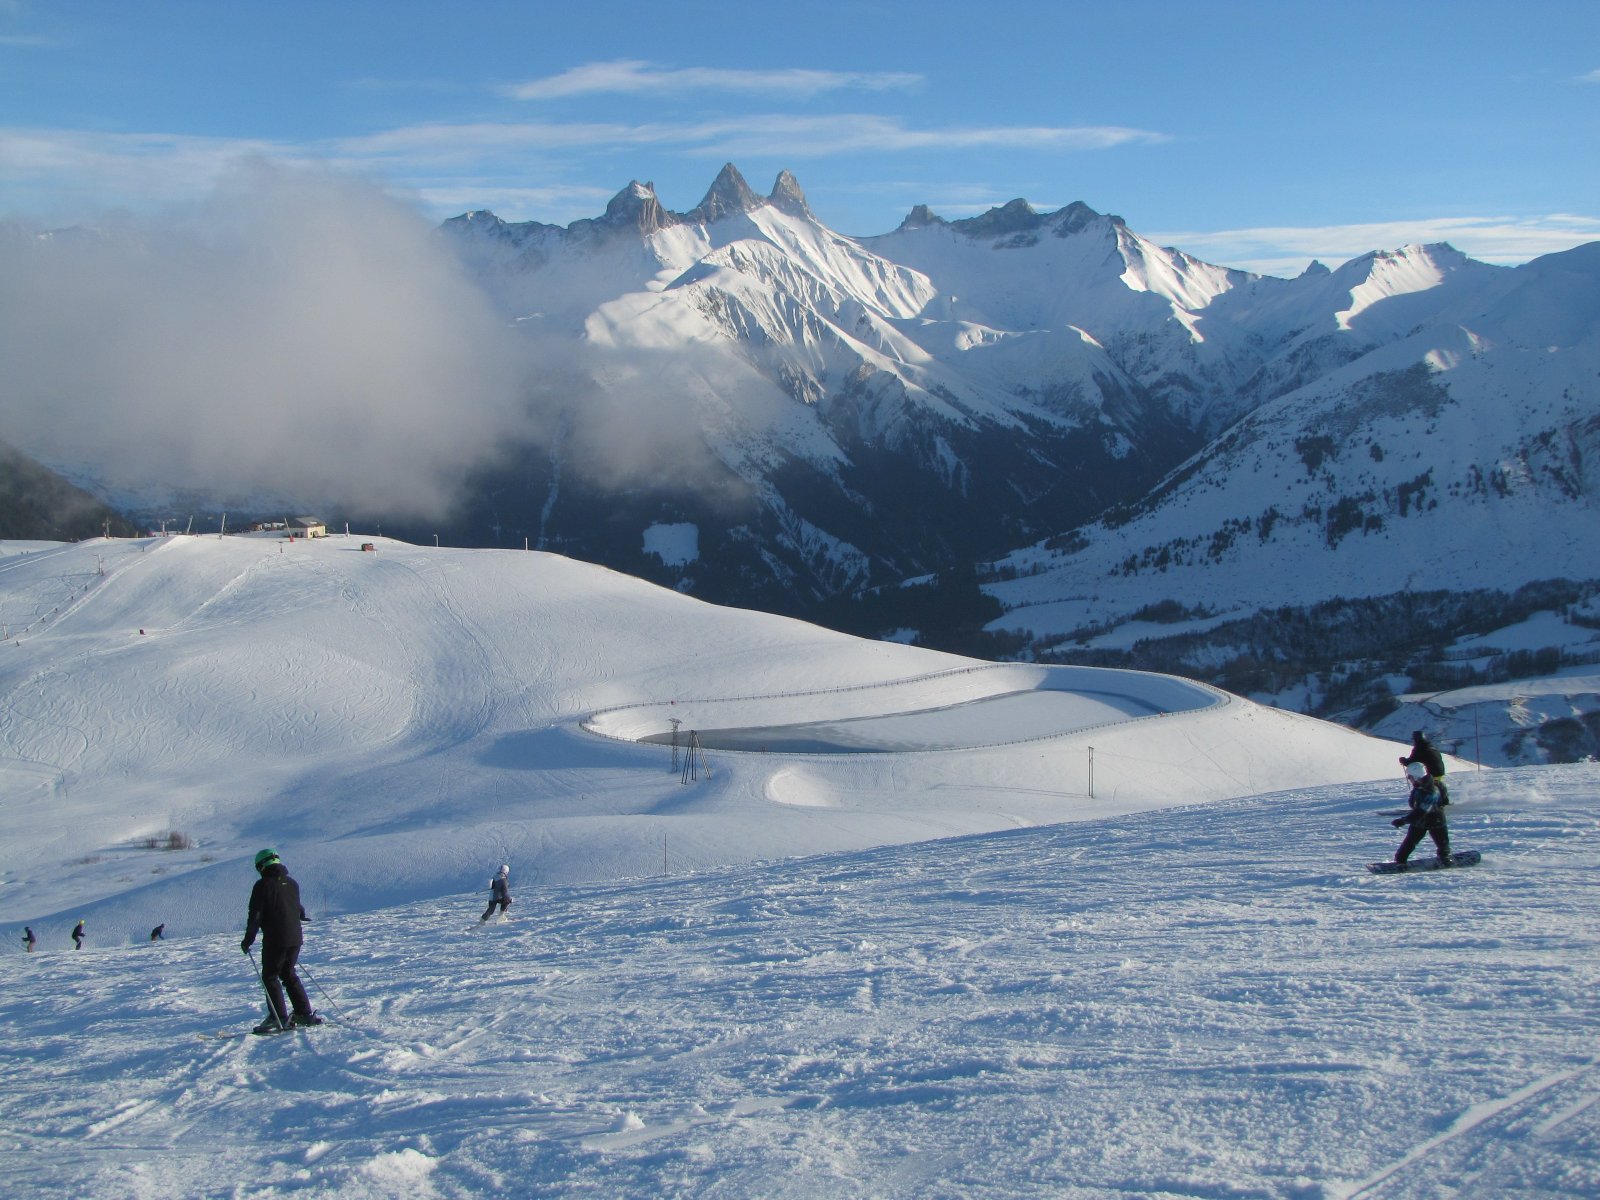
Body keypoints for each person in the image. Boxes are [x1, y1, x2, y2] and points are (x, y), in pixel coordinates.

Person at [240, 849, 322, 1033]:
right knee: (288, 973)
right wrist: (300, 916)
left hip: (275, 939)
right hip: (295, 938)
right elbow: (298, 908)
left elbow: (255, 916)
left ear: (261, 866)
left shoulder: (262, 886)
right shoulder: (291, 883)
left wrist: (248, 940)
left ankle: (278, 1017)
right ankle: (303, 1013)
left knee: (270, 976)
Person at [1391, 760, 1453, 868]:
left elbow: (1420, 812)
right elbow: (1445, 801)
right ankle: (1444, 857)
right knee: (1441, 842)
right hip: (1437, 819)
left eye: (1410, 777)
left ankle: (1401, 861)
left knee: (1411, 841)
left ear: (1416, 776)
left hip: (1427, 821)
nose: (1409, 779)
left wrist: (1404, 820)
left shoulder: (1429, 791)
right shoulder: (1432, 784)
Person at [1400, 730, 1450, 805]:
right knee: (1436, 783)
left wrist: (1403, 760)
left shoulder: (1419, 748)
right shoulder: (1431, 746)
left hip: (1431, 772)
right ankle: (1443, 800)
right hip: (1440, 771)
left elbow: (1412, 762)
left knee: (1420, 783)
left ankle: (1423, 804)